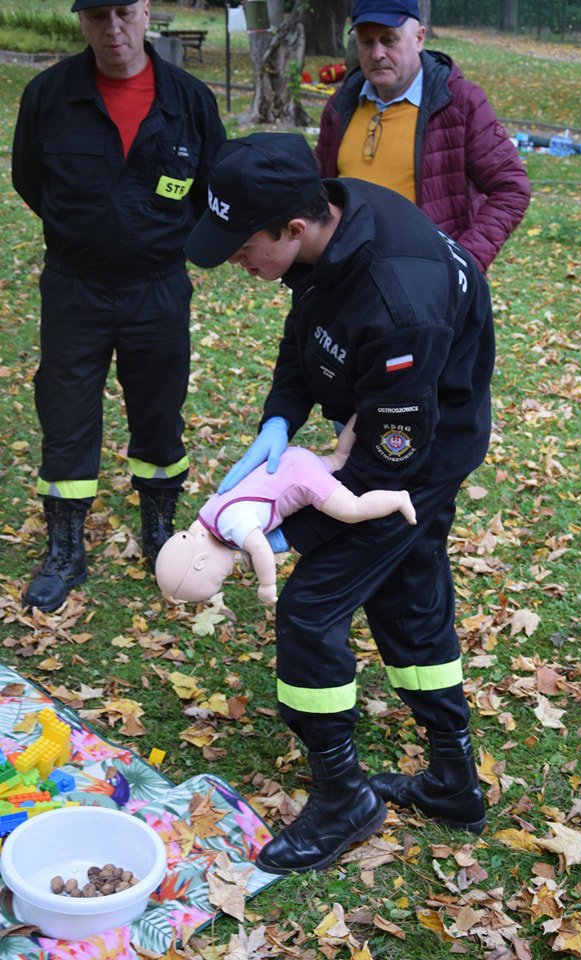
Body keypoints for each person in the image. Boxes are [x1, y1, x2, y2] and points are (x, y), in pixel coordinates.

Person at [185, 131, 494, 875]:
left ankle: (342, 797)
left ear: (294, 227)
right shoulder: (338, 222)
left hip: (411, 460)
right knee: (407, 598)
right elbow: (306, 333)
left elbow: (387, 464)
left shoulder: (397, 303)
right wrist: (280, 418)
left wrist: (283, 521)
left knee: (310, 611)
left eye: (240, 245)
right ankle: (453, 782)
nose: (235, 259)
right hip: (391, 430)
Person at [11, 0, 226, 613]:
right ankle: (65, 549)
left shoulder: (188, 100)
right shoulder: (50, 96)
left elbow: (215, 185)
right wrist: (86, 231)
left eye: (124, 12)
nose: (113, 29)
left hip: (157, 285)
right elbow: (31, 180)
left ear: (146, 11)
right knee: (66, 411)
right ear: (81, 20)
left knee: (159, 411)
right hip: (75, 285)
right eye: (97, 15)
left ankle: (160, 529)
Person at [315, 0, 531, 274]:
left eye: (389, 39)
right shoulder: (340, 106)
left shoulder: (460, 103)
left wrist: (463, 263)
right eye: (366, 42)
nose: (377, 53)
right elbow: (321, 191)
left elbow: (511, 188)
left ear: (419, 38)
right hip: (349, 281)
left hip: (426, 284)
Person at [155, 415, 416, 605]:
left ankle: (398, 499)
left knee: (351, 508)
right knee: (339, 458)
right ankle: (361, 413)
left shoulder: (232, 525)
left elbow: (260, 549)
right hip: (290, 463)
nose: (224, 578)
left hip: (300, 479)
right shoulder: (208, 519)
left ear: (201, 562)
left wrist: (267, 585)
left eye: (217, 580)